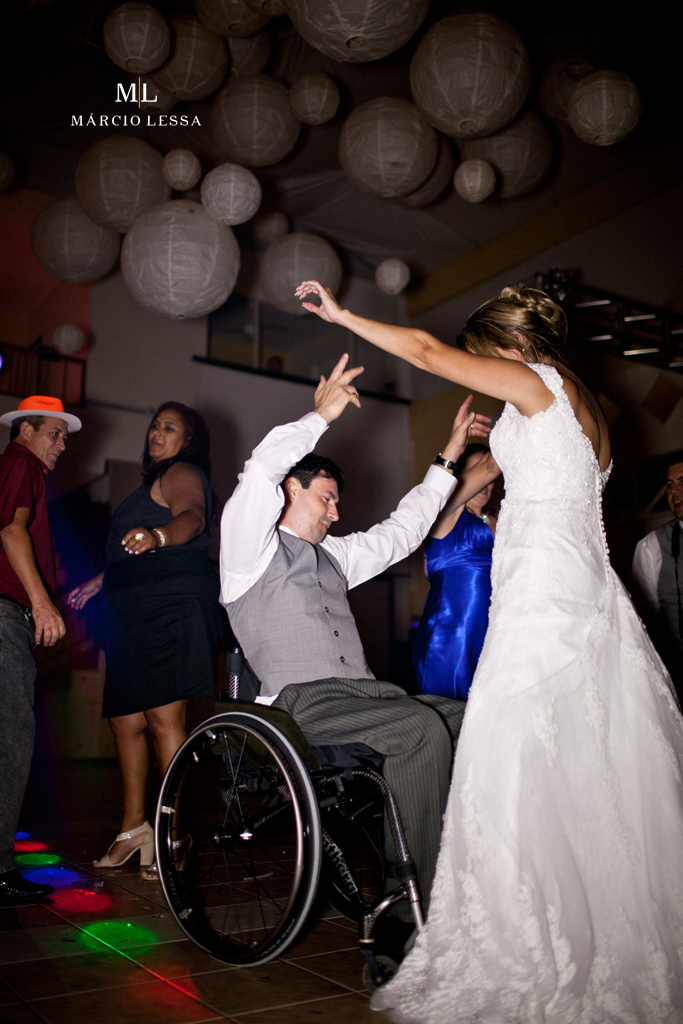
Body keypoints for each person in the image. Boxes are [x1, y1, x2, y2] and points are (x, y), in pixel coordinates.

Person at [297, 280, 683, 1022]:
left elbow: (423, 350)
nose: (478, 369)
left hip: (544, 597)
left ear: (504, 349)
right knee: (589, 760)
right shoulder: (588, 412)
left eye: (482, 358)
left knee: (511, 756)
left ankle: (535, 943)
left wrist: (342, 316)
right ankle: (605, 931)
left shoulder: (534, 380)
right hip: (582, 593)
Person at [220, 354, 491, 910]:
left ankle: (471, 869)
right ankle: (412, 901)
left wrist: (449, 456)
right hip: (297, 708)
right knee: (420, 730)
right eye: (327, 498)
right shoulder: (247, 553)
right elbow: (260, 472)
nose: (335, 513)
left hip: (362, 696)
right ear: (291, 491)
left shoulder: (335, 556)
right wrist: (318, 417)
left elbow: (404, 531)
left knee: (478, 720)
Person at [68, 403, 223, 878]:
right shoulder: (146, 487)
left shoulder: (184, 472)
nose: (157, 432)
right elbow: (130, 549)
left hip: (170, 606)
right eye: (155, 425)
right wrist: (101, 579)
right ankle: (133, 827)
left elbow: (191, 518)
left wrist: (157, 536)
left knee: (161, 716)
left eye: (169, 427)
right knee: (124, 720)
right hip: (131, 607)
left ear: (188, 440)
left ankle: (171, 830)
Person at [0, 395, 82, 905]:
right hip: (5, 612)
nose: (60, 446)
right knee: (12, 735)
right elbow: (11, 530)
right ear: (25, 430)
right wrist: (41, 603)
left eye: (65, 439)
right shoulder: (21, 463)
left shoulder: (12, 466)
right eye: (53, 433)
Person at [413, 443, 496, 699]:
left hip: (494, 631)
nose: (485, 481)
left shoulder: (501, 520)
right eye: (475, 471)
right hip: (450, 635)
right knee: (450, 715)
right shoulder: (446, 513)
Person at [631, 456, 683, 706]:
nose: (675, 492)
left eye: (682, 481)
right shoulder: (651, 546)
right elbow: (644, 618)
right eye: (670, 485)